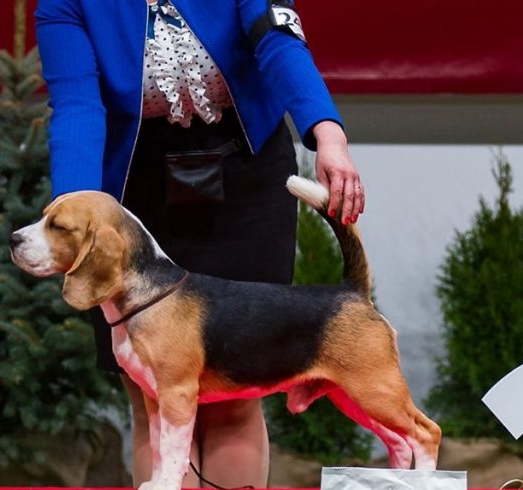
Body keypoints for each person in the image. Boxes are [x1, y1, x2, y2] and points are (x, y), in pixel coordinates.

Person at [35, 0, 365, 487]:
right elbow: (78, 104)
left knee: (236, 399)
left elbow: (278, 40)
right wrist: (75, 214)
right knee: (154, 401)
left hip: (246, 180)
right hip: (134, 195)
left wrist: (327, 133)